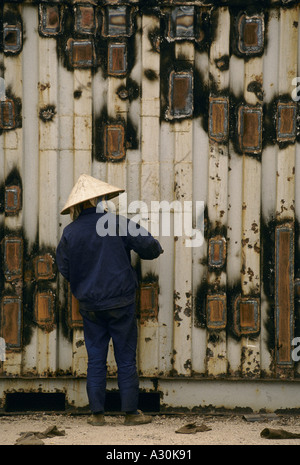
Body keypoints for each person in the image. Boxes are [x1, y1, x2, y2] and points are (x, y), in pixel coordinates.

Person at [56, 174, 163, 426]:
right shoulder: (116, 223)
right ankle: (130, 414)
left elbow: (64, 267)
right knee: (125, 357)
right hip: (120, 302)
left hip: (90, 305)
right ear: (96, 200)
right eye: (102, 197)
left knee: (95, 358)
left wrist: (84, 282)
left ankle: (97, 415)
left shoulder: (69, 232)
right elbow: (151, 247)